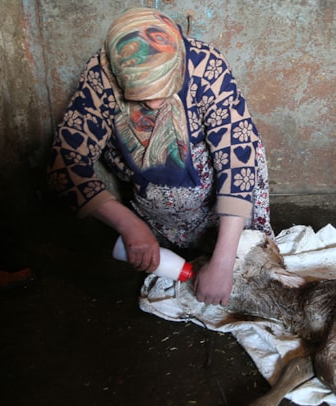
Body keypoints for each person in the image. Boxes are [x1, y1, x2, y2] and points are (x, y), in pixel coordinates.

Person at [47, 7, 272, 306]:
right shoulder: (101, 76)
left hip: (213, 194)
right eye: (140, 93)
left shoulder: (205, 65)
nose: (153, 103)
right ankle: (177, 243)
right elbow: (65, 160)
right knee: (160, 255)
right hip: (153, 201)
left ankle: (221, 247)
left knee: (247, 148)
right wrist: (129, 224)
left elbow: (237, 157)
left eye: (163, 88)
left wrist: (223, 262)